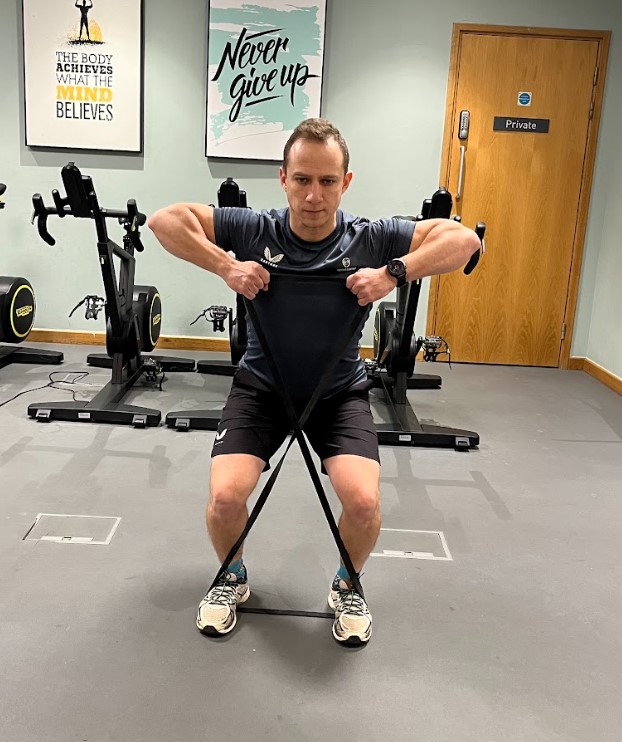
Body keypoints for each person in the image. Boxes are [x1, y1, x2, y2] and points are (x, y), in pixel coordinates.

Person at [148, 118, 479, 647]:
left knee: (364, 502)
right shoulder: (255, 229)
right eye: (302, 180)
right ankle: (231, 576)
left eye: (327, 182)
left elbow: (461, 240)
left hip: (338, 395)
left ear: (346, 183)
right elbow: (165, 220)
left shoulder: (369, 238)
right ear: (282, 178)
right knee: (226, 499)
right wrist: (225, 267)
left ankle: (349, 583)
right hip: (261, 390)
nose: (313, 195)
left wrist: (393, 272)